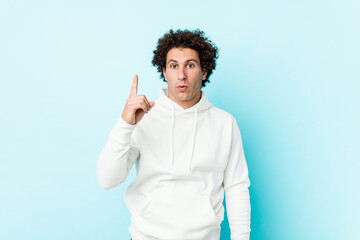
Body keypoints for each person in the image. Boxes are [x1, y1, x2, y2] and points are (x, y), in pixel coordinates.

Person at [97, 29, 251, 240]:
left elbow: (237, 188)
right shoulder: (143, 119)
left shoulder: (225, 124)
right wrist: (125, 124)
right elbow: (107, 180)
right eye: (173, 66)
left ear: (204, 71)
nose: (181, 75)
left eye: (190, 65)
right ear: (164, 71)